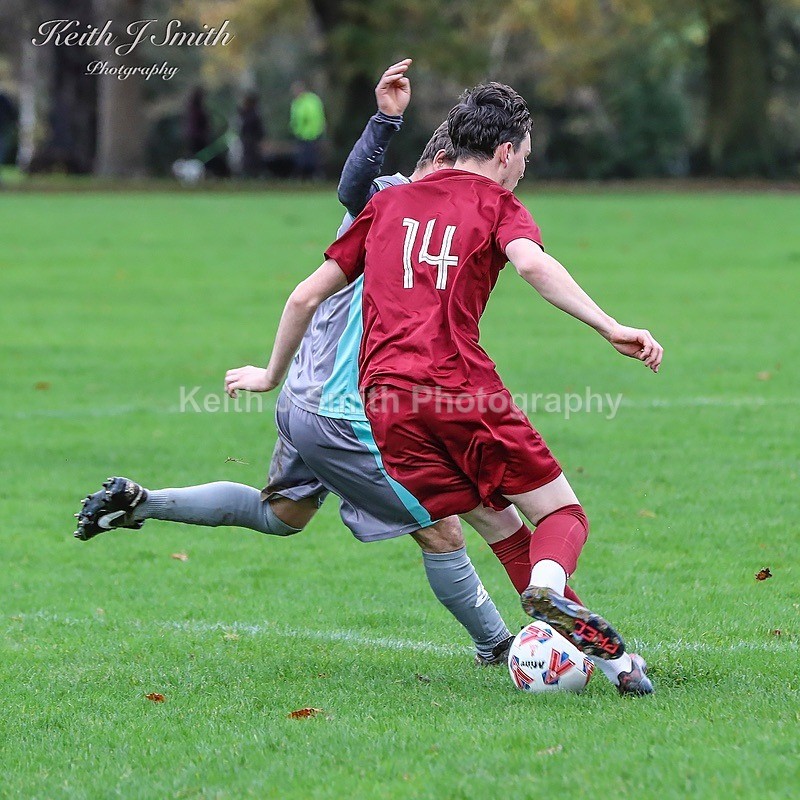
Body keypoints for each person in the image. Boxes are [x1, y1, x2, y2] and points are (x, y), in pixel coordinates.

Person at [222, 82, 664, 695]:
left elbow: (305, 293)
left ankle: (618, 666)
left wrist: (270, 375)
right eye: (527, 158)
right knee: (562, 513)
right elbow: (533, 264)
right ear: (506, 151)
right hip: (455, 383)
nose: (524, 171)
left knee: (497, 518)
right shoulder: (496, 205)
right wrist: (611, 326)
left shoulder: (389, 204)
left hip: (384, 406)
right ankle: (551, 590)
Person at [74, 62, 517, 667]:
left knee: (280, 515)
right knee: (442, 525)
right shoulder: (391, 200)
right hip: (342, 410)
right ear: (442, 167)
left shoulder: (424, 218)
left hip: (309, 403)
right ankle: (500, 647)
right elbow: (354, 185)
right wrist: (384, 120)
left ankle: (145, 502)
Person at [290, 81, 325, 180]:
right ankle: (304, 176)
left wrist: (318, 130)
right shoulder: (297, 102)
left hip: (312, 134)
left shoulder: (311, 101)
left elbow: (314, 117)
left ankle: (314, 176)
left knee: (312, 157)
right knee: (302, 157)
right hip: (301, 135)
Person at [238, 92, 265, 178]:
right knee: (248, 159)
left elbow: (258, 129)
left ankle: (252, 175)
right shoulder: (248, 114)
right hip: (248, 140)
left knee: (252, 160)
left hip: (252, 141)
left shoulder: (252, 115)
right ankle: (248, 175)